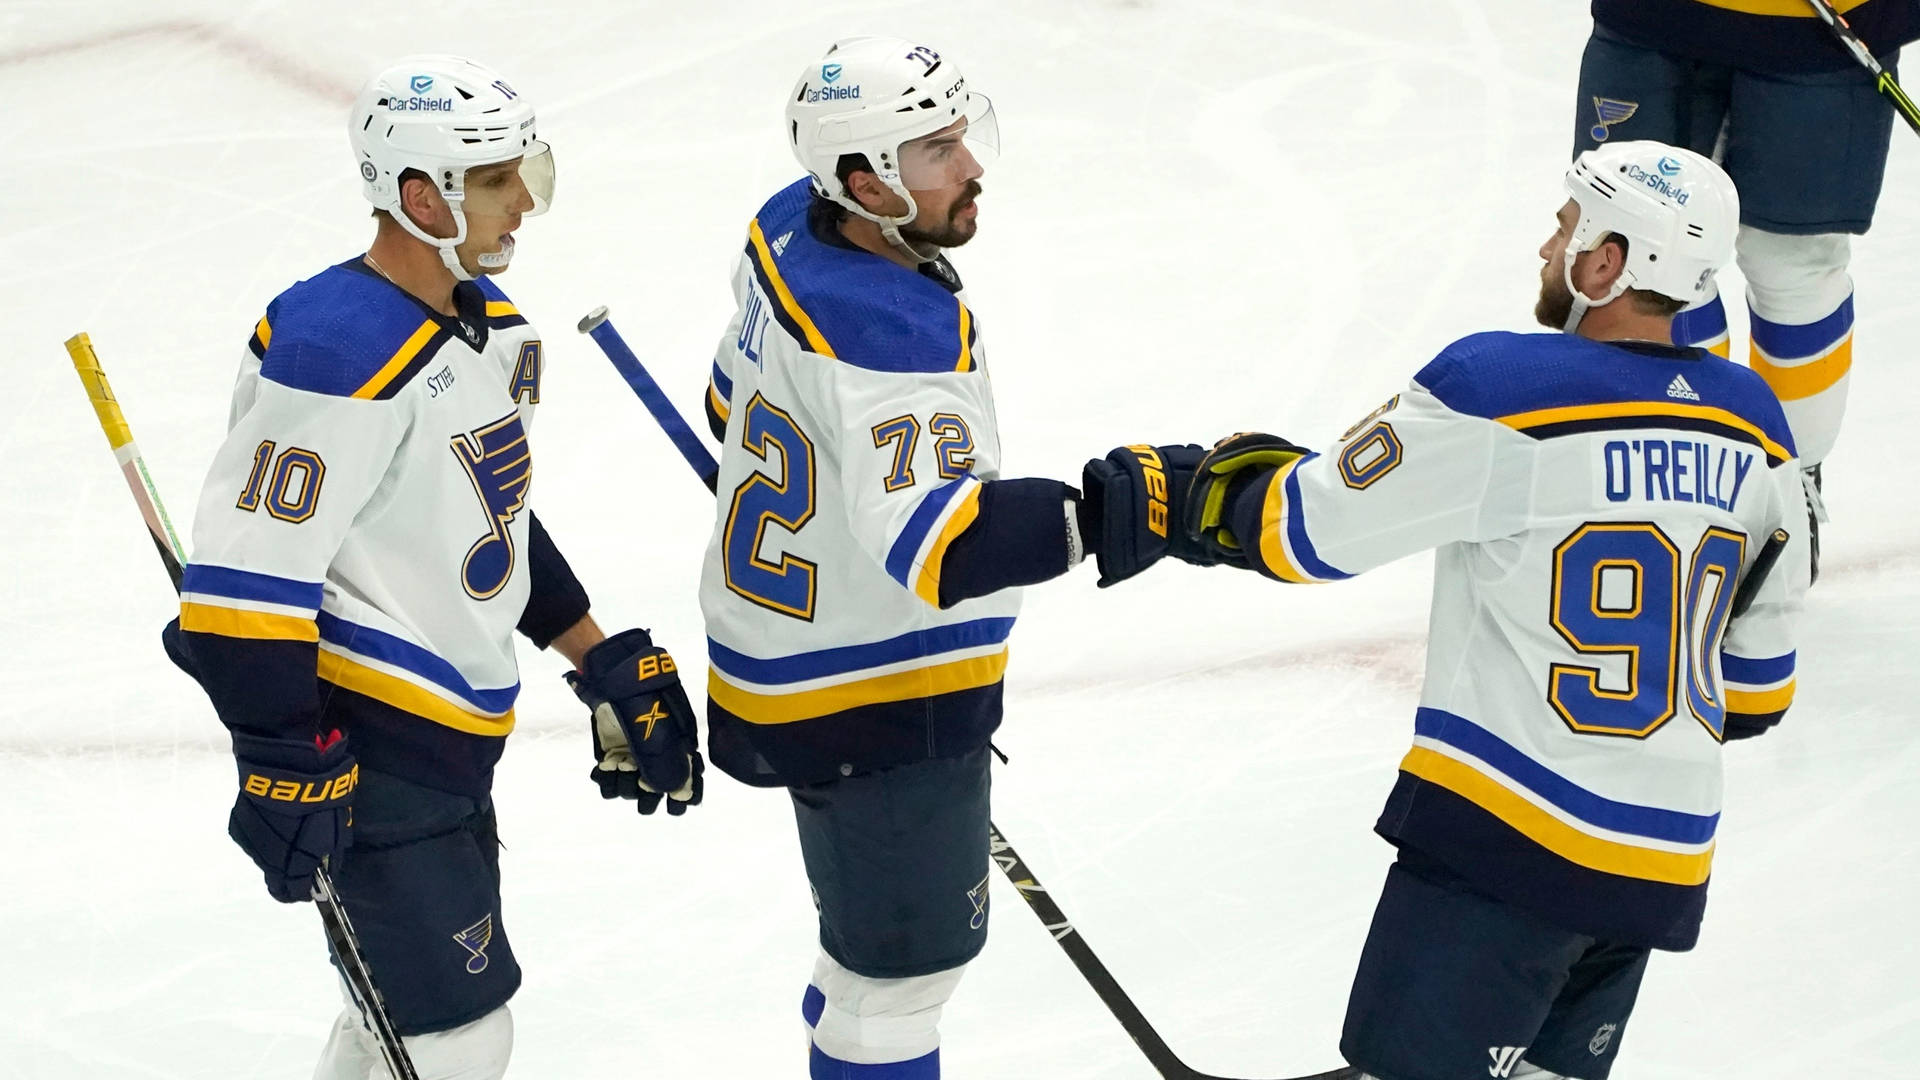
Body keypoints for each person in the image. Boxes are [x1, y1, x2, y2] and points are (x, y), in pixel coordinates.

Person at [1096, 141, 1808, 1079]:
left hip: (1510, 847)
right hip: (1659, 862)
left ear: (1607, 261)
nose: (1547, 248)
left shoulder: (1504, 391)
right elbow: (1757, 692)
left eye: (1565, 228)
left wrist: (1183, 496)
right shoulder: (1760, 425)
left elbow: (1303, 531)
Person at [162, 55, 702, 1080]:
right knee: (459, 1034)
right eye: (499, 179)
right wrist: (279, 749)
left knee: (392, 1019)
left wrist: (598, 652)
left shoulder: (490, 329)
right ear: (423, 196)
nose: (523, 205)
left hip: (449, 739)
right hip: (369, 746)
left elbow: (484, 520)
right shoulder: (337, 351)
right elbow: (245, 582)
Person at [696, 35, 1174, 1079]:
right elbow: (944, 548)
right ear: (863, 181)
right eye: (936, 150)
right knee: (899, 986)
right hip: (873, 690)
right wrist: (1130, 511)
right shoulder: (895, 333)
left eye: (964, 136)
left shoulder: (788, 227)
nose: (971, 169)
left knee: (866, 959)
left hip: (785, 647)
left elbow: (726, 403)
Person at [1573, 0, 1920, 577]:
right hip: (1654, 22)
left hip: (1828, 29)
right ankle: (1672, 473)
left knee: (1794, 262)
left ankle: (1785, 483)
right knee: (1635, 246)